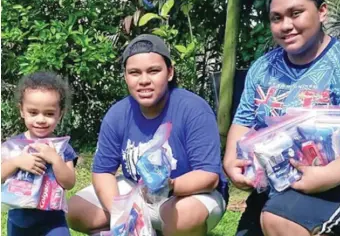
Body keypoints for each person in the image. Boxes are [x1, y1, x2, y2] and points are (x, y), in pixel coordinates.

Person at [223, 0, 340, 236]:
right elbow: (243, 121)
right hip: (278, 183)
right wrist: (232, 161)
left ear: (322, 12)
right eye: (277, 18)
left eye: (296, 13)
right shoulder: (263, 68)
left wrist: (327, 177)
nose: (286, 25)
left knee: (279, 222)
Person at [67, 34, 228, 236]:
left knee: (183, 215)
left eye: (153, 71)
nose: (144, 80)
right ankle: (133, 229)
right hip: (137, 191)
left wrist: (170, 185)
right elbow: (103, 172)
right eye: (134, 72)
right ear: (125, 76)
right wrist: (120, 213)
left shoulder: (194, 109)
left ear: (169, 72)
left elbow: (209, 177)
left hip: (186, 194)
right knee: (76, 209)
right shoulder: (118, 113)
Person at [1, 71, 78, 236]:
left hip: (53, 221)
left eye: (49, 113)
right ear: (22, 110)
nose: (41, 119)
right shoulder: (13, 146)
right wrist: (16, 162)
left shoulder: (62, 147)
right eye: (33, 112)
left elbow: (69, 183)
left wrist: (56, 159)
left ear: (60, 113)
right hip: (19, 220)